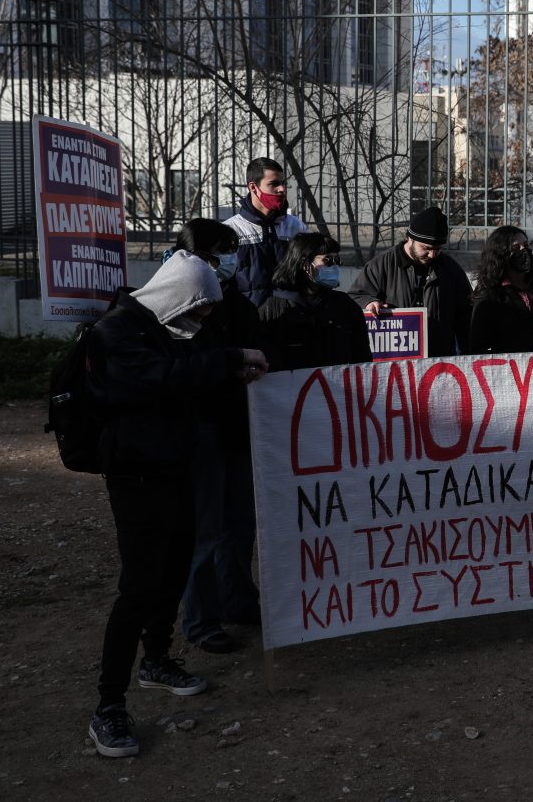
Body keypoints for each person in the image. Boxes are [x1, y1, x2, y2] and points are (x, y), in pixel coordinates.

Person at [84, 251, 269, 758]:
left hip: (177, 467)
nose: (203, 320)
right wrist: (229, 360)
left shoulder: (165, 329)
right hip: (135, 475)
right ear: (178, 298)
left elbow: (182, 377)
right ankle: (109, 707)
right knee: (139, 586)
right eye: (200, 308)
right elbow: (161, 379)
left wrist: (228, 376)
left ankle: (157, 659)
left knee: (173, 572)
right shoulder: (116, 332)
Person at [169, 219, 268, 657]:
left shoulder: (238, 305)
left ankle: (238, 602)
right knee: (205, 532)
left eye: (232, 252)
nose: (230, 261)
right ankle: (201, 621)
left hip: (237, 425)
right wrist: (229, 364)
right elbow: (181, 369)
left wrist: (254, 367)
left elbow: (260, 349)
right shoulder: (174, 305)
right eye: (222, 253)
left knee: (240, 524)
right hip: (199, 429)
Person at [348, 207, 473, 358]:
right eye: (426, 248)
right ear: (410, 238)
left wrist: (467, 355)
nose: (432, 254)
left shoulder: (450, 269)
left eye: (438, 249)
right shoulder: (383, 264)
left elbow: (466, 315)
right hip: (396, 361)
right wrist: (370, 303)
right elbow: (355, 296)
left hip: (438, 362)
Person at [258, 233, 373, 370]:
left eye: (337, 260)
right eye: (328, 260)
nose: (335, 266)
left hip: (336, 390)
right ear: (304, 264)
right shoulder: (273, 310)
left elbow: (362, 359)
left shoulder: (345, 306)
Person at [468, 225, 533, 355]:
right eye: (516, 248)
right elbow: (478, 345)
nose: (524, 251)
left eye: (526, 245)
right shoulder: (489, 295)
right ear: (501, 255)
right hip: (512, 370)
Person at [223, 157, 308, 306]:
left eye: (283, 183)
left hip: (291, 319)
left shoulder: (296, 227)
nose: (282, 189)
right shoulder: (230, 231)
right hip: (249, 322)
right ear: (253, 187)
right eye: (274, 184)